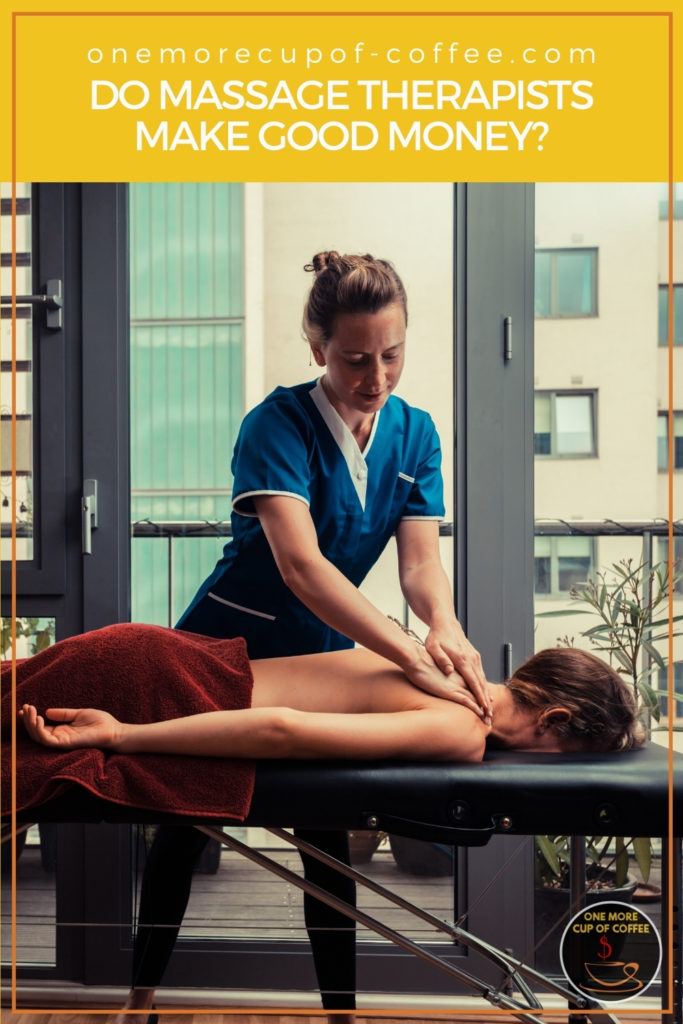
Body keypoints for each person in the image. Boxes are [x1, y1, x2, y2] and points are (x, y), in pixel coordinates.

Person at [124, 251, 491, 1024]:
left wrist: (444, 626)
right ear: (317, 345)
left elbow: (421, 564)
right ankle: (138, 1002)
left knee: (327, 840)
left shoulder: (415, 433)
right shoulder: (276, 423)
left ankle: (339, 1016)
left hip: (324, 647)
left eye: (391, 355)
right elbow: (301, 567)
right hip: (225, 644)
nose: (377, 376)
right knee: (183, 833)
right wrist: (408, 654)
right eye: (356, 358)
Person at [19, 637, 643, 761]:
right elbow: (282, 731)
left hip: (159, 656)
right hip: (165, 690)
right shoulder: (461, 729)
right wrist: (122, 735)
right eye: (569, 751)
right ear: (556, 718)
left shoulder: (445, 664)